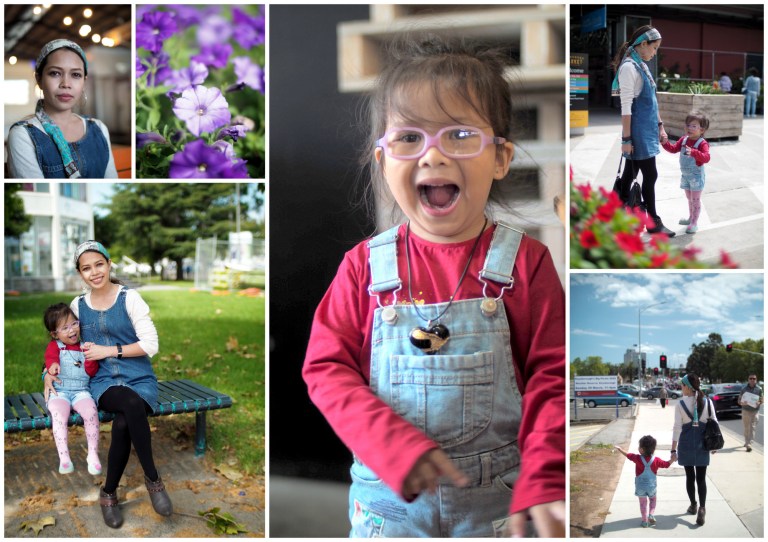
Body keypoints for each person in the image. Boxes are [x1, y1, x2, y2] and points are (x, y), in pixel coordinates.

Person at [302, 36, 565, 538]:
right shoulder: (361, 268)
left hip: (501, 508)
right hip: (391, 505)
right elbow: (325, 369)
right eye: (408, 138)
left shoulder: (528, 264)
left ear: (501, 157)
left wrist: (547, 476)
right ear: (382, 162)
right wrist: (391, 445)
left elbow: (552, 379)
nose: (433, 156)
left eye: (460, 134)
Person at [44, 241, 170, 528]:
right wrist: (47, 373)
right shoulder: (77, 305)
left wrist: (108, 350)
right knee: (127, 403)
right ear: (80, 273)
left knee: (125, 421)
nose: (94, 272)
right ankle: (153, 478)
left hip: (139, 377)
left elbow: (151, 344)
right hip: (102, 383)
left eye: (99, 264)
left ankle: (109, 492)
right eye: (86, 268)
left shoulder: (130, 298)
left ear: (109, 264)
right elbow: (59, 343)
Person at [7, 39, 118, 178]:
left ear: (84, 82)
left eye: (76, 75)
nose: (66, 84)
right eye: (55, 73)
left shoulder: (99, 128)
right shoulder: (22, 135)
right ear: (39, 79)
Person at [611, 26, 674, 237]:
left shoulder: (642, 65)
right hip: (637, 132)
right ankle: (653, 222)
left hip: (646, 129)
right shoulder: (629, 67)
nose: (655, 53)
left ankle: (613, 216)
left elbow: (652, 100)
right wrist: (626, 139)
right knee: (649, 173)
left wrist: (660, 126)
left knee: (630, 173)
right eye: (654, 48)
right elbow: (626, 107)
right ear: (643, 44)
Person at [42, 303, 101, 475]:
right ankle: (64, 457)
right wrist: (52, 366)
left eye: (74, 324)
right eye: (65, 328)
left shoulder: (84, 346)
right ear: (55, 334)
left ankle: (92, 454)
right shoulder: (55, 346)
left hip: (81, 391)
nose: (72, 330)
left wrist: (90, 358)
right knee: (59, 414)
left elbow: (91, 371)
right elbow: (51, 358)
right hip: (59, 391)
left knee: (91, 412)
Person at [670, 373, 717, 526]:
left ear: (688, 387)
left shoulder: (680, 404)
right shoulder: (708, 402)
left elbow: (677, 428)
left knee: (690, 477)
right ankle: (702, 508)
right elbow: (714, 422)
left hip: (686, 444)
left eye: (682, 385)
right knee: (701, 478)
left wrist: (673, 450)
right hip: (703, 444)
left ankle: (693, 505)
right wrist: (714, 444)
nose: (680, 387)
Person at [661, 110, 711, 234]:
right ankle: (690, 218)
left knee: (695, 199)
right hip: (686, 175)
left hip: (696, 176)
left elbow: (706, 158)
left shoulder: (702, 143)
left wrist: (694, 152)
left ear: (702, 130)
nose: (689, 128)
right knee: (689, 198)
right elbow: (673, 149)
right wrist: (664, 143)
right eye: (688, 125)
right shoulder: (684, 140)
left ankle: (694, 222)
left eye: (694, 126)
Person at [615, 435, 674, 527]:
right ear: (653, 450)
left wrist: (620, 449)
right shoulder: (656, 460)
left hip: (640, 487)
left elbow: (628, 455)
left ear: (641, 449)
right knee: (653, 500)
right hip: (651, 487)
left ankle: (644, 521)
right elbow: (666, 464)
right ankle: (651, 514)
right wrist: (673, 459)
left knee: (643, 504)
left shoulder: (637, 458)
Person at [738, 374, 763, 452]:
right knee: (747, 428)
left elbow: (762, 399)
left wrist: (759, 402)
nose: (752, 380)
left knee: (753, 427)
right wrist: (743, 403)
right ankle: (746, 441)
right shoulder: (744, 389)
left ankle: (749, 444)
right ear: (748, 379)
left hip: (755, 411)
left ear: (756, 379)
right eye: (751, 378)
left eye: (754, 378)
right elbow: (739, 401)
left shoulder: (759, 389)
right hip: (746, 411)